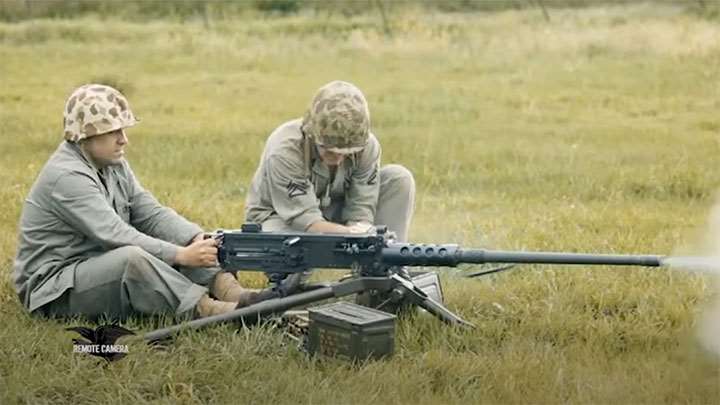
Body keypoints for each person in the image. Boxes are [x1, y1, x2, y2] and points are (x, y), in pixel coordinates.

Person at [14, 83, 260, 321]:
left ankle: (239, 296)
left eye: (123, 130)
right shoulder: (67, 176)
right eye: (113, 132)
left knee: (181, 238)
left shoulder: (111, 163)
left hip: (91, 266)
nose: (124, 140)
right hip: (53, 289)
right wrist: (180, 255)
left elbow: (149, 212)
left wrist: (193, 238)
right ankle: (216, 312)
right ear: (85, 136)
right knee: (132, 259)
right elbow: (114, 234)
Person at [245, 80, 415, 240]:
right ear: (312, 135)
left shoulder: (367, 146)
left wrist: (361, 232)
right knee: (299, 247)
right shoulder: (285, 152)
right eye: (331, 151)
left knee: (398, 179)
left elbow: (361, 206)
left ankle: (386, 265)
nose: (339, 159)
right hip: (281, 216)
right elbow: (304, 219)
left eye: (348, 152)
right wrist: (353, 234)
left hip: (333, 210)